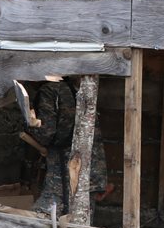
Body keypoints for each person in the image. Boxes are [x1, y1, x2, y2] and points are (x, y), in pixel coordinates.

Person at [26, 79, 109, 216]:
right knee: (82, 217)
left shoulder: (49, 91)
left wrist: (30, 125)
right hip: (92, 165)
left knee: (46, 214)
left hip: (66, 170)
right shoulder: (73, 87)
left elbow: (47, 133)